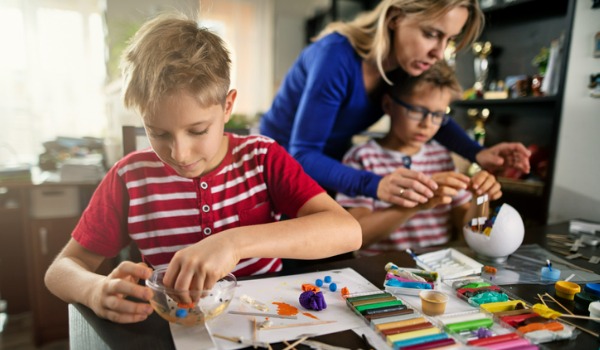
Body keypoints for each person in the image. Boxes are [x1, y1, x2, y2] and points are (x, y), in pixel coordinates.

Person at [44, 12, 362, 324]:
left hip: (266, 323)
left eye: (197, 131)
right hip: (174, 328)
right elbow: (61, 269)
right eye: (158, 132)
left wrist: (233, 242)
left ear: (227, 106)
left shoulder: (262, 157)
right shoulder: (130, 178)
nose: (179, 153)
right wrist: (92, 290)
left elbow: (347, 232)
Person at [260, 0, 529, 209]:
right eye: (431, 34)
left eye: (449, 40)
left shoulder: (406, 63)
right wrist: (377, 185)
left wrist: (477, 153)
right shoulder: (335, 58)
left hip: (325, 166)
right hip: (272, 171)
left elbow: (434, 116)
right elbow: (303, 154)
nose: (439, 53)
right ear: (395, 17)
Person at [336, 60, 501, 256]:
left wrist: (481, 198)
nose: (427, 124)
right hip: (381, 271)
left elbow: (471, 232)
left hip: (438, 268)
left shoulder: (441, 157)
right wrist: (416, 204)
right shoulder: (362, 158)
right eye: (416, 111)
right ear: (388, 105)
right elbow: (358, 235)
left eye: (438, 115)